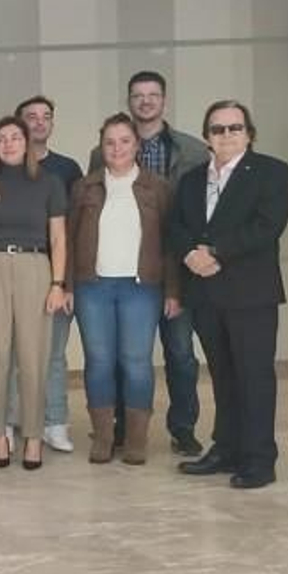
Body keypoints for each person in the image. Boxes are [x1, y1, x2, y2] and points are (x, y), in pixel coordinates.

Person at [88, 72, 210, 456]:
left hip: (173, 266)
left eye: (152, 95)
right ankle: (122, 429)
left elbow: (195, 215)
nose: (145, 101)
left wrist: (180, 279)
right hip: (121, 275)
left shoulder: (192, 150)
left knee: (179, 353)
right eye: (138, 96)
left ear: (164, 101)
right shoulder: (104, 153)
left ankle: (183, 427)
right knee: (125, 356)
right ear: (129, 101)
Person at [173, 101, 288, 489]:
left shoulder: (272, 172)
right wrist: (190, 253)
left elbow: (267, 225)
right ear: (207, 136)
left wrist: (216, 253)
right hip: (206, 292)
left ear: (249, 133)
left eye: (234, 128)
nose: (226, 135)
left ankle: (259, 458)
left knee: (254, 377)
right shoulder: (191, 180)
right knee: (223, 376)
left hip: (251, 294)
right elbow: (176, 225)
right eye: (217, 129)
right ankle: (226, 448)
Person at [68, 113, 178, 465]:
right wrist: (67, 285)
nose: (117, 148)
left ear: (137, 145)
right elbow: (67, 239)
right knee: (99, 362)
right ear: (102, 147)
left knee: (136, 362)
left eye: (124, 141)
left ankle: (136, 439)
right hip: (92, 287)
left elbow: (171, 244)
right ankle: (102, 437)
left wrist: (173, 291)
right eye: (110, 142)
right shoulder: (84, 187)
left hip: (141, 288)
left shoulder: (158, 187)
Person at [0, 117, 70, 471]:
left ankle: (34, 437)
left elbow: (58, 238)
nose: (8, 144)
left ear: (27, 142)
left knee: (34, 356)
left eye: (14, 137)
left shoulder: (49, 183)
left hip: (36, 269)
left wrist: (58, 284)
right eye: (0, 139)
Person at [5, 96, 84, 453]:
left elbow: (75, 229)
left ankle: (54, 422)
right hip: (8, 273)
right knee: (8, 353)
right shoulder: (0, 168)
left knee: (52, 354)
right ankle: (6, 422)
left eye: (45, 117)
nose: (38, 123)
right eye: (31, 117)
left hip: (54, 274)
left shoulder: (67, 169)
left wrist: (66, 282)